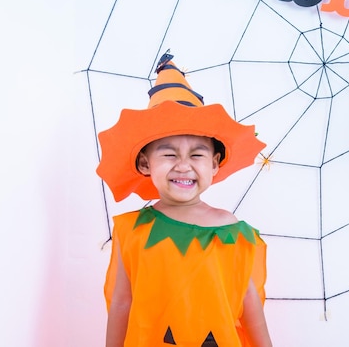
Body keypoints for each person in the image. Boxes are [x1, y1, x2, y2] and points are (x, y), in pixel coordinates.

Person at [96, 52, 272, 347]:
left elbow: (250, 306)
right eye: (168, 154)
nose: (183, 165)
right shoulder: (131, 231)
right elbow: (121, 303)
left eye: (197, 155)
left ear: (215, 164)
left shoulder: (232, 230)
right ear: (145, 164)